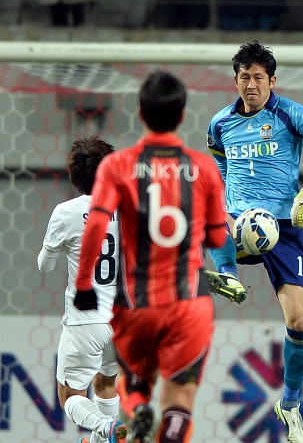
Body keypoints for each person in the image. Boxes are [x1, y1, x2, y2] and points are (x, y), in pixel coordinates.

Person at [74, 70, 228, 443]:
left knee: (133, 380)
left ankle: (140, 404)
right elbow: (219, 236)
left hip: (135, 305)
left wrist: (83, 285)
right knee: (180, 397)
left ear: (141, 114)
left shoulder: (117, 166)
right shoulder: (203, 168)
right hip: (188, 304)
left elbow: (96, 224)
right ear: (182, 116)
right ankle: (168, 432)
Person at [205, 40, 303, 443]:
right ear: (235, 80)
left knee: (299, 323)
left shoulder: (289, 114)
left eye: (258, 78)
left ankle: (289, 405)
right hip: (239, 220)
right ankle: (228, 273)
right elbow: (218, 162)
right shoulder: (219, 123)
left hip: (283, 227)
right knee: (209, 213)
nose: (251, 85)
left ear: (272, 80)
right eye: (244, 78)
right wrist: (225, 201)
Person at [37, 136, 127, 443]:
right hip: (121, 319)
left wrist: (55, 248)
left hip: (84, 319)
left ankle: (106, 429)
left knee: (68, 396)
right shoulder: (127, 210)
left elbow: (45, 267)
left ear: (75, 176)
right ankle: (108, 438)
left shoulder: (66, 212)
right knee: (106, 384)